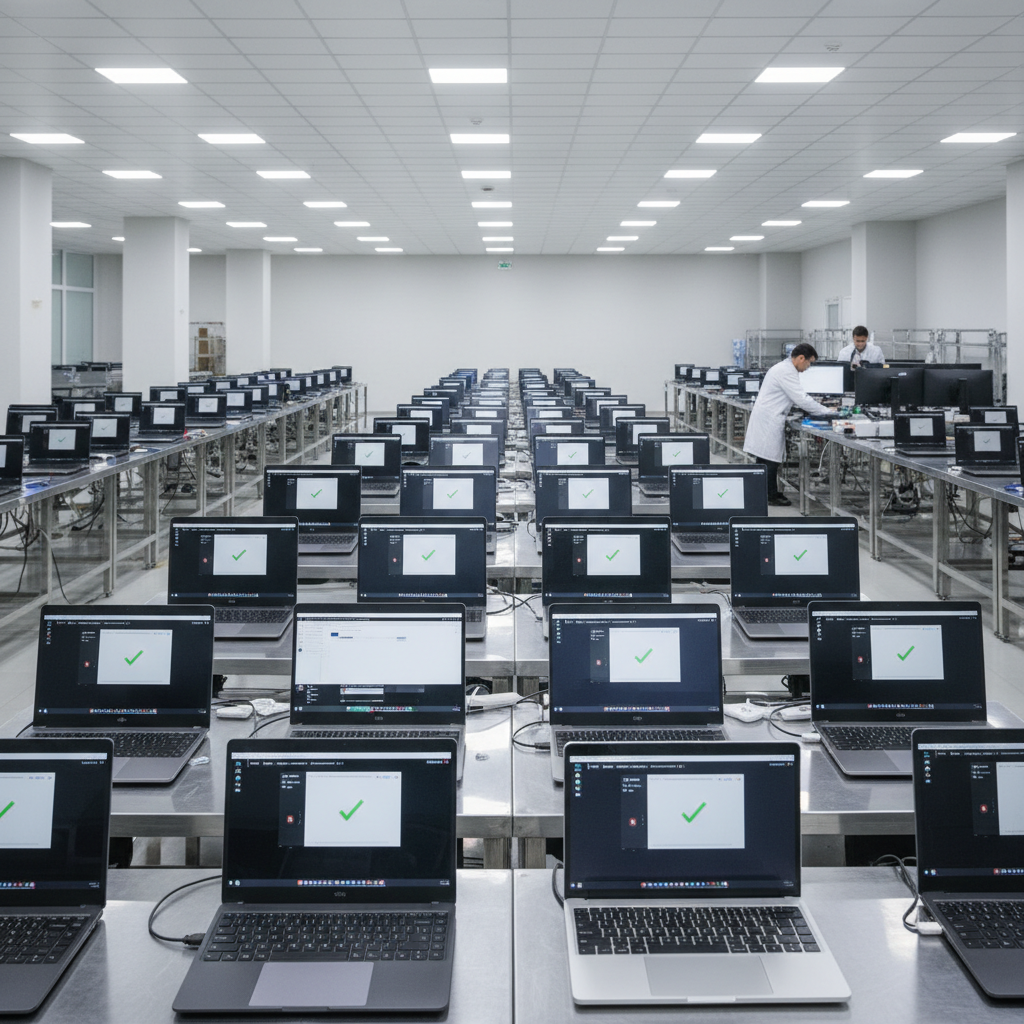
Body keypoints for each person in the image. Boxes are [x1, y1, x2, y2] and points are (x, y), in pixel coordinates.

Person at [743, 343, 830, 507]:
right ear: (801, 358)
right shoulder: (786, 371)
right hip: (769, 419)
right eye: (809, 363)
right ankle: (769, 495)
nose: (808, 367)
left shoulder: (785, 368)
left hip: (769, 417)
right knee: (769, 460)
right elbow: (801, 398)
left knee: (766, 459)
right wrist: (827, 412)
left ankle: (766, 492)